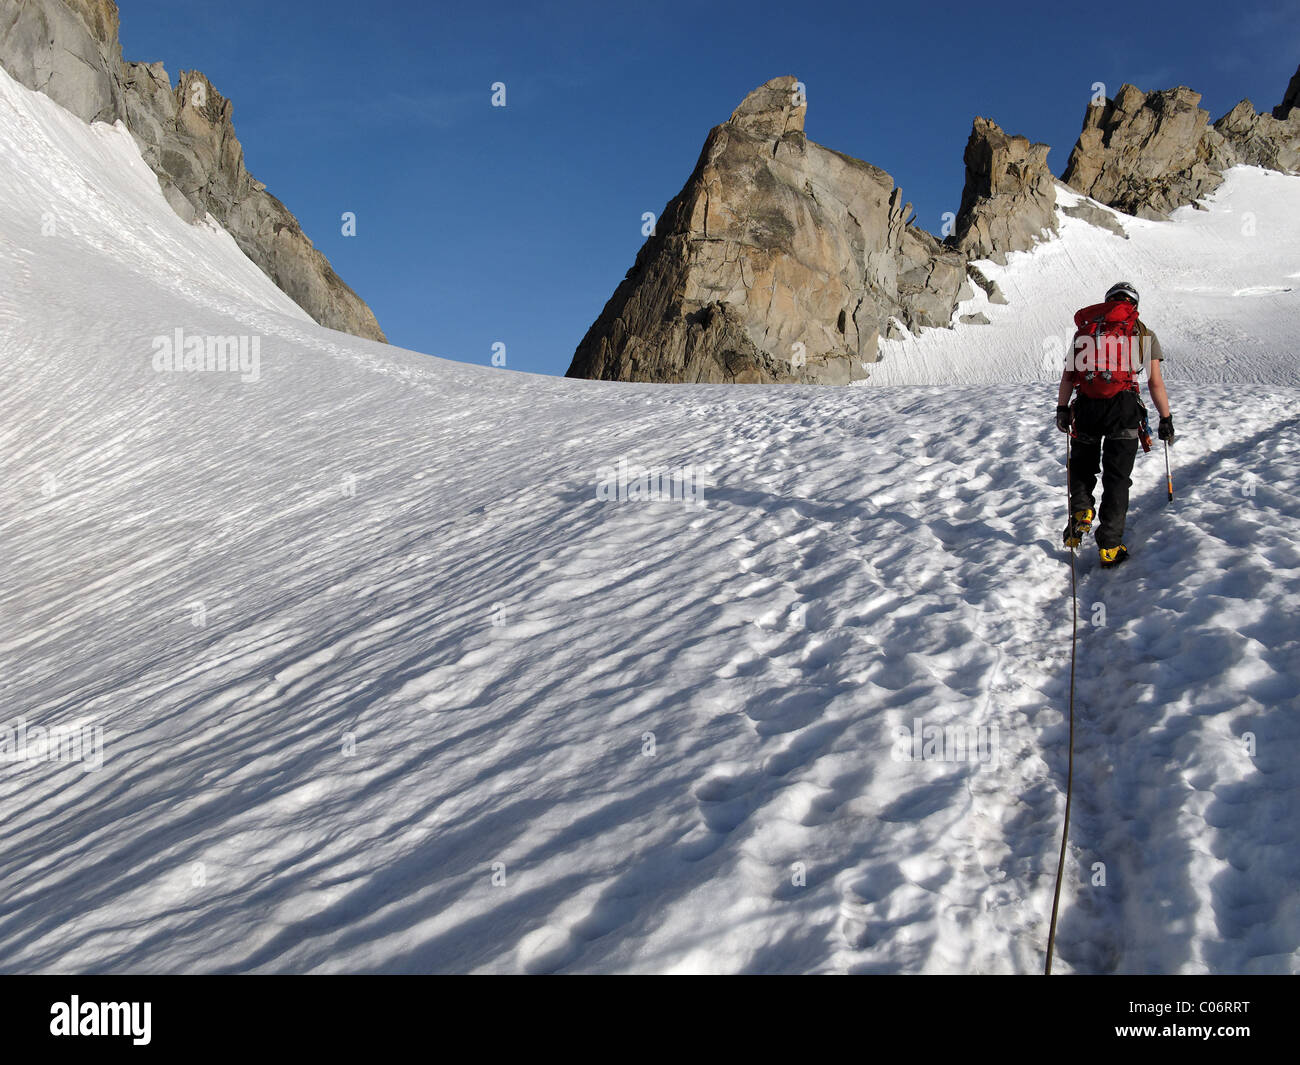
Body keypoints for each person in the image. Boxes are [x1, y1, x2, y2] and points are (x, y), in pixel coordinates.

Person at [1055, 281, 1174, 569]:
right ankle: (1109, 546)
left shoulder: (1086, 332)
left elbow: (1069, 377)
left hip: (1086, 407)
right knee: (1117, 477)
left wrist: (1062, 409)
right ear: (1134, 304)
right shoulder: (1141, 332)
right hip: (1123, 407)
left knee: (1082, 465)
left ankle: (1082, 511)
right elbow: (1154, 382)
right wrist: (1166, 418)